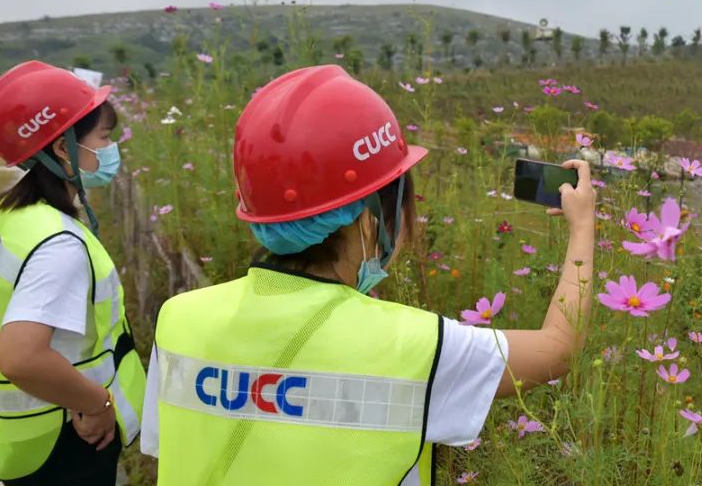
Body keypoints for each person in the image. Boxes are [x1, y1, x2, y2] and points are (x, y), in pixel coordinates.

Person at [141, 65, 596, 485]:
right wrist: (582, 227)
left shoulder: (180, 319)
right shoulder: (414, 345)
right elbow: (558, 349)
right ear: (366, 220)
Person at [0, 61, 147, 485]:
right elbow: (21, 356)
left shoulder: (14, 217)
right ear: (63, 149)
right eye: (104, 137)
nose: (110, 148)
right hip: (67, 437)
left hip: (24, 441)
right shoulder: (57, 244)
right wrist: (96, 404)